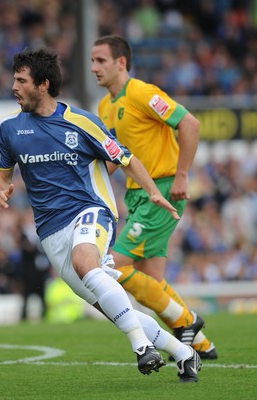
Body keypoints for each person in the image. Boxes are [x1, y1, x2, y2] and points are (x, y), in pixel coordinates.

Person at [0, 47, 201, 382]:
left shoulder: (82, 121)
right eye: (14, 79)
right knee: (117, 310)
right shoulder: (9, 130)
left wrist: (153, 190)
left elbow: (126, 158)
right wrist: (0, 189)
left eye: (21, 80)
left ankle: (141, 349)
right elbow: (1, 175)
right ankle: (184, 353)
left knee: (86, 263)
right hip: (51, 233)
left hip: (91, 211)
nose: (13, 86)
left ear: (43, 85)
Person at [91, 34, 217, 360]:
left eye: (101, 60)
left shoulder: (142, 93)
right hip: (137, 196)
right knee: (151, 280)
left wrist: (183, 174)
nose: (94, 67)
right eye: (92, 61)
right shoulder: (105, 107)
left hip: (162, 191)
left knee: (115, 266)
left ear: (121, 63)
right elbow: (117, 159)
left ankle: (187, 322)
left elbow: (190, 123)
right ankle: (202, 343)